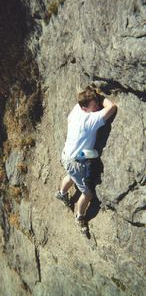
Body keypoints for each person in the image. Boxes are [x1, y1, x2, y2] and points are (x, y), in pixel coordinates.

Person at [56, 85, 117, 234]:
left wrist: (92, 96)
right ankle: (80, 217)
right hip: (76, 162)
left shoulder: (77, 109)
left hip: (67, 155)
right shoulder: (90, 121)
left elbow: (85, 99)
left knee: (71, 175)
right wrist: (102, 99)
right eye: (93, 104)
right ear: (85, 108)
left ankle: (62, 193)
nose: (96, 106)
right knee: (87, 193)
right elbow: (112, 107)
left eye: (96, 102)